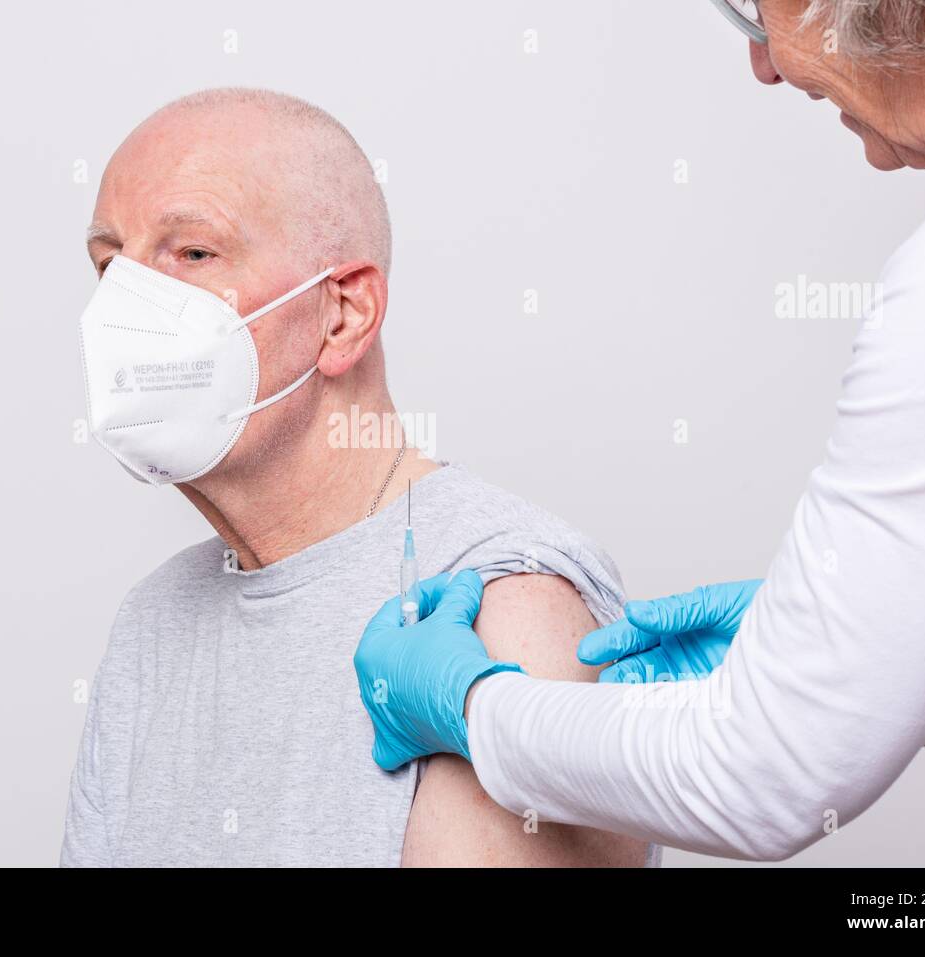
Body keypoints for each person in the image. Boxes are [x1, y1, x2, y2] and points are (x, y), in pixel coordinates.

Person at [354, 0, 925, 861]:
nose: (766, 66)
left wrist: (474, 709)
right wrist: (853, 659)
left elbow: (761, 778)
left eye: (759, 8)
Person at [61, 88, 651, 866]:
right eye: (111, 265)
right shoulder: (152, 627)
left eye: (192, 253)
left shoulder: (495, 601)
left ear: (342, 315)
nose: (128, 305)